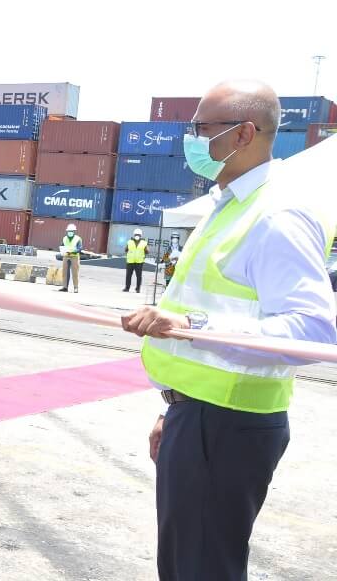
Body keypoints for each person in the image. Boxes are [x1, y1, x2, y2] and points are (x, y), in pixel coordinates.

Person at [122, 80, 337, 581]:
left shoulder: (277, 215)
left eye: (201, 127)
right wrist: (172, 407)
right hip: (199, 416)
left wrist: (194, 326)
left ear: (243, 134)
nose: (191, 139)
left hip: (226, 425)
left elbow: (314, 331)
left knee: (203, 569)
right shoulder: (230, 204)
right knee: (185, 564)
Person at [122, 228, 148, 293]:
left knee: (139, 276)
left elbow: (147, 251)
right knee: (128, 275)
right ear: (134, 235)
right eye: (136, 234)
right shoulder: (129, 242)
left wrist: (145, 251)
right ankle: (127, 288)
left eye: (138, 234)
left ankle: (138, 288)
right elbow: (125, 249)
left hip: (139, 262)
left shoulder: (144, 243)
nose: (137, 236)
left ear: (141, 235)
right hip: (130, 261)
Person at [58, 223, 82, 293]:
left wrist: (74, 251)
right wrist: (61, 250)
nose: (70, 232)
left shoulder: (78, 239)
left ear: (74, 231)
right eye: (69, 231)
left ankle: (76, 287)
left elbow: (79, 248)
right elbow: (62, 246)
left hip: (74, 257)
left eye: (71, 231)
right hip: (66, 256)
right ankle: (65, 287)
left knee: (75, 272)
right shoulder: (64, 238)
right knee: (65, 272)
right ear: (67, 231)